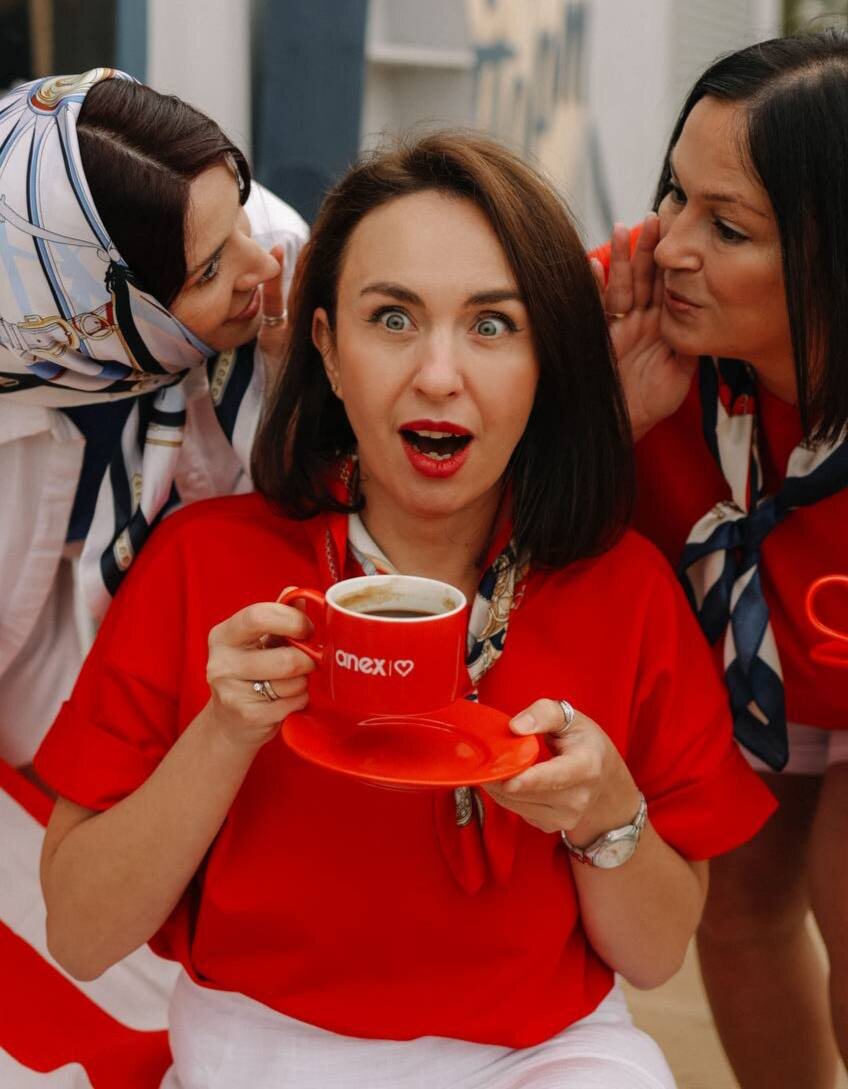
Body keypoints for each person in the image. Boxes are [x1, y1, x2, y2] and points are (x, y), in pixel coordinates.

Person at [35, 131, 775, 1089]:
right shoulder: (199, 563)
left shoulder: (627, 589)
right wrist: (223, 733)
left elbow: (658, 954)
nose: (438, 374)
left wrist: (606, 812)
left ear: (546, 360)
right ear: (328, 350)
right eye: (392, 318)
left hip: (545, 1058)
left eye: (493, 325)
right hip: (256, 1056)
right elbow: (81, 932)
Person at [593, 28, 848, 1089]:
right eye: (674, 193)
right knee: (737, 913)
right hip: (747, 668)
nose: (672, 244)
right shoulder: (622, 306)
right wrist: (599, 417)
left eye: (727, 225)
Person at [0, 69, 308, 767]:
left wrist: (294, 388)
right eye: (209, 271)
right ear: (88, 315)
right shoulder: (26, 321)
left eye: (241, 212)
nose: (260, 265)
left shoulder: (285, 274)